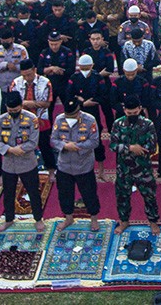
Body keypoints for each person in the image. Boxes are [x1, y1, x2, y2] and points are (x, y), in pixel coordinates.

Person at [0, 92, 46, 233]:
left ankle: (38, 219)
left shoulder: (31, 119)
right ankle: (9, 219)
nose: (13, 113)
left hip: (27, 162)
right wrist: (9, 149)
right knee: (8, 193)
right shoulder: (1, 120)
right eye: (10, 110)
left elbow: (33, 141)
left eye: (16, 110)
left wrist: (20, 149)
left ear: (21, 106)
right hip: (9, 164)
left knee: (33, 192)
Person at [110, 96, 160, 235]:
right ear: (124, 110)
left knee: (149, 196)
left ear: (140, 109)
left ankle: (153, 222)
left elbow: (152, 146)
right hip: (123, 169)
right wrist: (130, 148)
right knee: (122, 197)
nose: (132, 115)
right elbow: (113, 145)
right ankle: (124, 221)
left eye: (135, 112)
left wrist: (141, 149)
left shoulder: (148, 124)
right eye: (129, 113)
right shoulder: (118, 124)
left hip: (143, 168)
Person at [51, 96, 101, 232]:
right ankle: (68, 218)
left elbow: (94, 141)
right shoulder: (59, 119)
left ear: (78, 112)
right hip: (64, 165)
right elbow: (53, 140)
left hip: (83, 165)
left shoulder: (89, 120)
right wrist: (64, 146)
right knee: (65, 194)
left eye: (72, 115)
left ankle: (94, 219)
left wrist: (77, 146)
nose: (70, 118)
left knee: (89, 193)